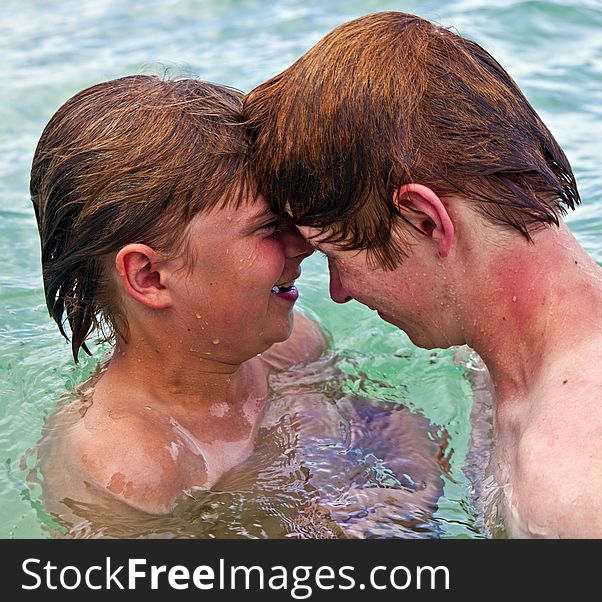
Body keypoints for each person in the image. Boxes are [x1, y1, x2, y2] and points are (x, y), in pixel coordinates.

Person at [244, 11, 602, 538]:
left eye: (335, 253)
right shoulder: (536, 344)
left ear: (425, 221)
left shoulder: (587, 485)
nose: (339, 290)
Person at [30, 75, 445, 536]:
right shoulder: (133, 470)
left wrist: (414, 487)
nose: (303, 244)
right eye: (270, 227)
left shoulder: (290, 348)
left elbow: (385, 420)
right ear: (149, 277)